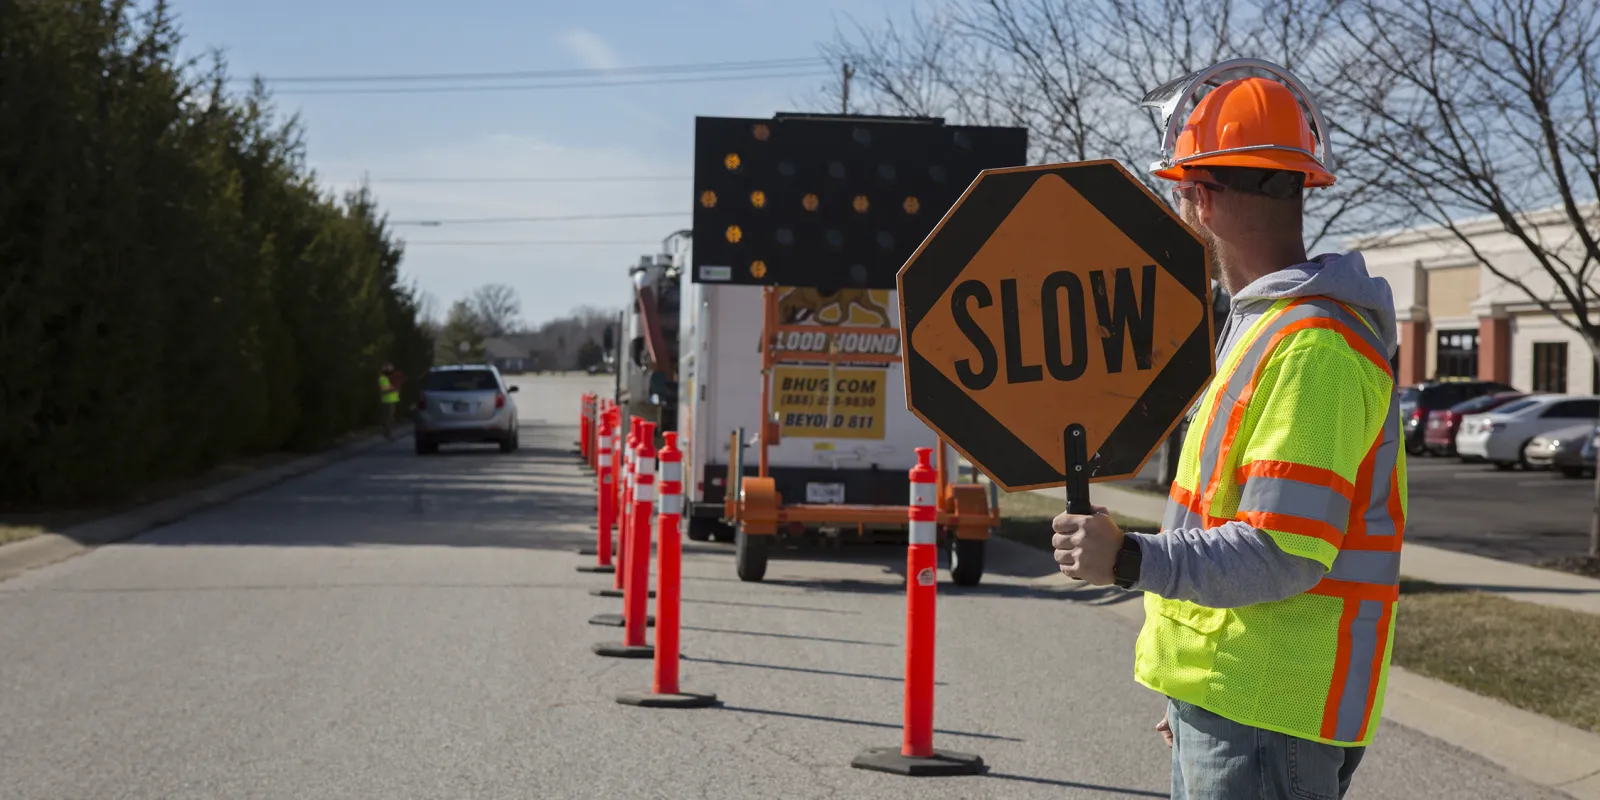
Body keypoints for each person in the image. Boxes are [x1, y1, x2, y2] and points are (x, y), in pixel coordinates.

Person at [1050, 59, 1405, 800]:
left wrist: (1129, 560)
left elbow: (1282, 552)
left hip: (1270, 712)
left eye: (1183, 187)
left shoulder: (1313, 349)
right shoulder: (1262, 335)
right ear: (1304, 184)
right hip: (1235, 704)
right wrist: (1195, 692)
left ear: (1198, 199)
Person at [378, 363, 401, 439]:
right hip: (387, 401)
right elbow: (384, 390)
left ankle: (387, 432)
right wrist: (395, 388)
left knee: (390, 418)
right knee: (388, 418)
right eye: (389, 368)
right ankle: (387, 433)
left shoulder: (390, 378)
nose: (391, 369)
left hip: (392, 400)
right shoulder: (383, 378)